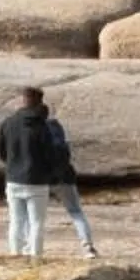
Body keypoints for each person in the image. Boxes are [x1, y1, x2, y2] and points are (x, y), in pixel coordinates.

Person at [0, 84, 63, 259]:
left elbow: (1, 151)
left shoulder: (8, 123)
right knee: (36, 222)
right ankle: (35, 256)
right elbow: (50, 154)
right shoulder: (42, 127)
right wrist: (51, 174)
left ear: (22, 100)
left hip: (13, 178)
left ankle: (15, 254)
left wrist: (12, 165)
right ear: (40, 101)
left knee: (16, 221)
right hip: (37, 181)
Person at [44, 107, 100, 258]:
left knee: (34, 216)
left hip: (42, 180)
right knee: (76, 212)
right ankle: (88, 247)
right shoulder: (57, 130)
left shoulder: (34, 131)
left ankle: (30, 249)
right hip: (65, 178)